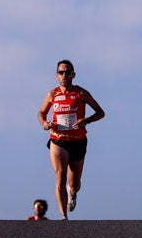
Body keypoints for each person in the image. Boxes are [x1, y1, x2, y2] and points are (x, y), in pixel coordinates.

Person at [37, 59, 105, 219]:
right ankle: (63, 216)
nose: (64, 75)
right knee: (60, 175)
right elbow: (41, 113)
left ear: (73, 75)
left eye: (68, 72)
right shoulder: (52, 94)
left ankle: (72, 194)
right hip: (58, 140)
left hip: (78, 142)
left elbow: (101, 112)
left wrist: (86, 120)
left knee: (74, 184)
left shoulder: (81, 93)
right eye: (61, 72)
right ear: (56, 75)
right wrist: (45, 123)